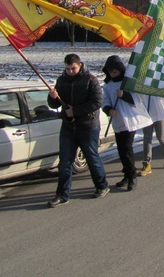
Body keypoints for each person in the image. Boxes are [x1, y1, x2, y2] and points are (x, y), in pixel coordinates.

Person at [46, 53, 109, 207]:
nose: (70, 72)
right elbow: (54, 105)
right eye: (67, 69)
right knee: (65, 162)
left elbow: (96, 102)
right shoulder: (61, 81)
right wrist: (52, 97)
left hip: (88, 126)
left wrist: (75, 111)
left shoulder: (90, 80)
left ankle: (102, 185)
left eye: (73, 68)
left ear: (79, 65)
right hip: (68, 127)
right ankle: (62, 194)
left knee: (91, 157)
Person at [101, 55, 153, 191]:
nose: (112, 75)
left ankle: (132, 176)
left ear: (120, 71)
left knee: (127, 148)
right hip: (117, 120)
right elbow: (105, 100)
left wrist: (123, 95)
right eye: (110, 72)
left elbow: (137, 100)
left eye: (115, 72)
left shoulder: (128, 83)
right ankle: (126, 174)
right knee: (121, 149)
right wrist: (108, 110)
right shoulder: (108, 86)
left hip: (130, 119)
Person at [138, 93, 164, 176]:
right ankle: (146, 163)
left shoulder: (159, 81)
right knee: (147, 137)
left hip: (159, 111)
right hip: (146, 112)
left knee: (160, 136)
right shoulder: (142, 81)